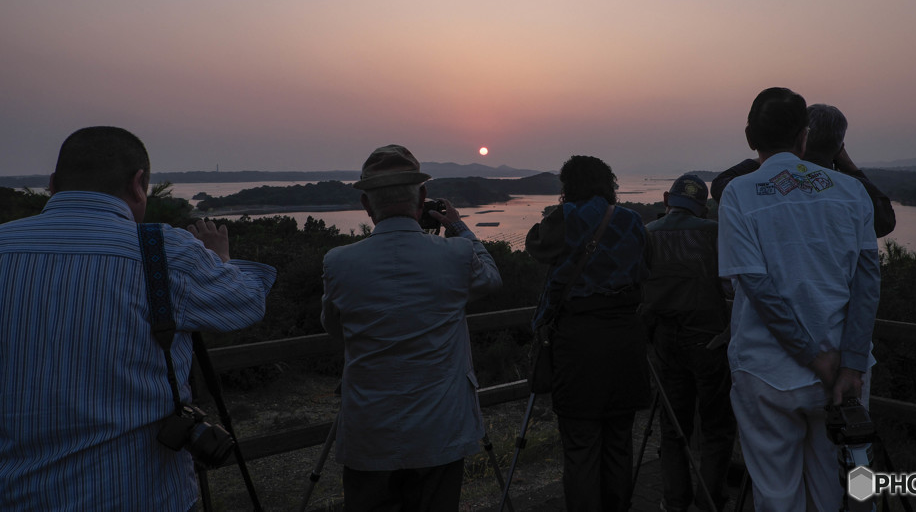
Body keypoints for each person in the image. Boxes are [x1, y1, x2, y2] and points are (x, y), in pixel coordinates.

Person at [0, 126, 277, 512]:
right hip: (137, 490)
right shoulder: (161, 251)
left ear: (51, 185)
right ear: (139, 183)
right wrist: (218, 259)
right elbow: (245, 303)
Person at [717, 88, 880, 512]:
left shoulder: (739, 193)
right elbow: (867, 283)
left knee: (776, 491)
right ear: (804, 137)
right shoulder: (852, 192)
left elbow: (756, 286)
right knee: (830, 487)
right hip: (844, 373)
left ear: (750, 137)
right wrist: (850, 362)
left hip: (767, 371)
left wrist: (811, 356)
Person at [320, 144, 502, 512]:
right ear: (422, 197)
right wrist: (457, 226)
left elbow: (334, 329)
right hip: (441, 429)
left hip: (369, 432)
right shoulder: (456, 254)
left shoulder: (339, 262)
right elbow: (492, 279)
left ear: (366, 206)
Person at [525, 155, 650, 512]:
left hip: (578, 344)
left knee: (581, 447)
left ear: (568, 187)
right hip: (626, 340)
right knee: (619, 442)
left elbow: (535, 246)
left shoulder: (563, 219)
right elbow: (646, 268)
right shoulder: (631, 220)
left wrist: (557, 211)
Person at [641, 174, 735, 512]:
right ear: (703, 207)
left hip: (665, 344)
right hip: (709, 340)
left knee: (673, 428)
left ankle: (674, 501)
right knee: (717, 427)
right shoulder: (715, 233)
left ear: (667, 198)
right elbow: (731, 288)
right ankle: (711, 502)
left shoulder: (646, 235)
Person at [711, 102, 896, 238]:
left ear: (801, 136)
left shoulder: (774, 182)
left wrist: (770, 158)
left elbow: (721, 185)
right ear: (839, 146)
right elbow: (885, 221)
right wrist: (850, 166)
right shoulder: (852, 190)